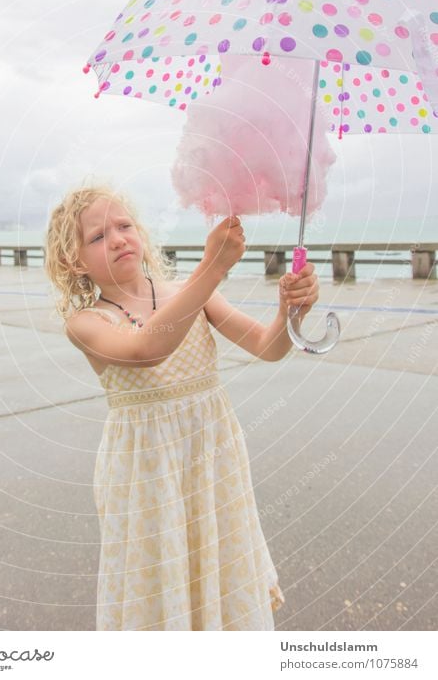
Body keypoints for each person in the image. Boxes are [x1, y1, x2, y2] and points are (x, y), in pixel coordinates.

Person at [44, 182, 319, 631]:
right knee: (159, 581)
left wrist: (293, 311)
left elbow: (267, 346)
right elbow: (145, 349)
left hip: (212, 460)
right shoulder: (87, 323)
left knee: (221, 569)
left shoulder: (191, 293)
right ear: (73, 261)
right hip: (146, 475)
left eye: (124, 225)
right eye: (97, 237)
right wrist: (211, 269)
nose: (117, 239)